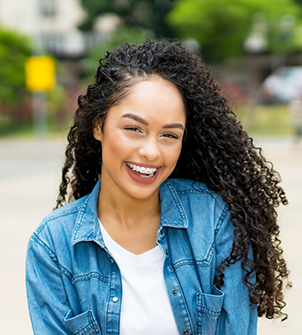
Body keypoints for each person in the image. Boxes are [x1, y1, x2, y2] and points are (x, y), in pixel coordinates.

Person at [26, 40, 290, 335]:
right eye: (133, 129)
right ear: (98, 126)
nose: (151, 152)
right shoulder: (53, 246)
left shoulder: (212, 220)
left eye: (168, 135)